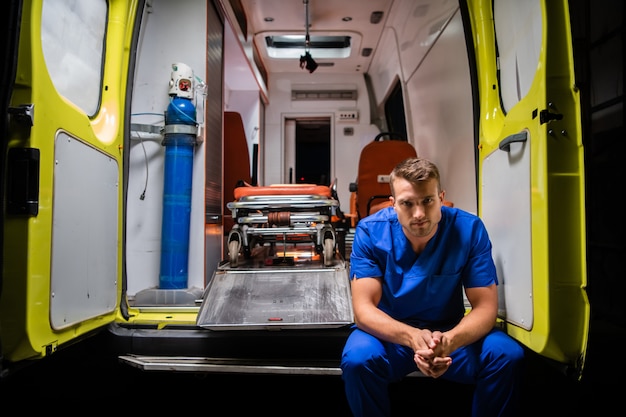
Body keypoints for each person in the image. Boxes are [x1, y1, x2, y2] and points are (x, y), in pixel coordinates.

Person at [341, 157, 524, 417]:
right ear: (393, 205)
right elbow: (364, 310)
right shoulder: (370, 232)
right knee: (358, 360)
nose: (419, 213)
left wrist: (448, 341)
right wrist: (412, 338)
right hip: (390, 337)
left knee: (506, 355)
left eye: (427, 200)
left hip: (448, 337)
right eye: (407, 203)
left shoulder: (468, 229)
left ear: (441, 197)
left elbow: (485, 307)